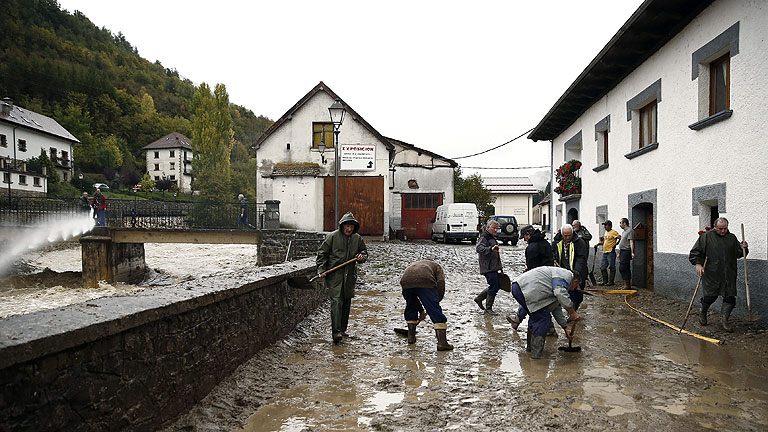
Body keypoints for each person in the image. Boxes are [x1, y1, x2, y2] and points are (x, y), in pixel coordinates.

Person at [689, 217, 748, 332]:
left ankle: (724, 321)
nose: (723, 231)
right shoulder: (706, 237)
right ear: (715, 227)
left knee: (730, 297)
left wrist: (743, 248)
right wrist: (698, 264)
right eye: (720, 229)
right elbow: (695, 252)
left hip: (729, 273)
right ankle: (703, 313)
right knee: (710, 296)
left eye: (725, 228)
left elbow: (738, 254)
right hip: (712, 272)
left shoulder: (731, 238)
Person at [316, 212, 368, 344]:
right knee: (336, 303)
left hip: (349, 276)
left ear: (354, 227)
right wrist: (321, 269)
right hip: (335, 276)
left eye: (351, 226)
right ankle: (336, 332)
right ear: (342, 226)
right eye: (347, 226)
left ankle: (343, 330)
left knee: (346, 303)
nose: (349, 229)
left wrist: (361, 257)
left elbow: (364, 252)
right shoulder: (332, 237)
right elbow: (322, 254)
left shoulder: (357, 239)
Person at [510, 266, 582, 359]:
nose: (572, 290)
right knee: (543, 318)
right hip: (525, 290)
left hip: (519, 287)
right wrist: (572, 312)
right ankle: (536, 356)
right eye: (575, 287)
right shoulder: (566, 276)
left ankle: (530, 349)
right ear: (575, 281)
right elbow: (560, 293)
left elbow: (556, 308)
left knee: (536, 316)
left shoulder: (558, 276)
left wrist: (565, 327)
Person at [400, 260, 453, 351]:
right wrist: (435, 303)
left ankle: (411, 337)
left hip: (405, 281)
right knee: (436, 313)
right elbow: (441, 283)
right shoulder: (438, 267)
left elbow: (415, 300)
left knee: (411, 306)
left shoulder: (414, 265)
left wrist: (421, 311)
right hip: (425, 280)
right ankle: (442, 343)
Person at [507, 225, 553, 329]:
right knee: (541, 302)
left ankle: (549, 328)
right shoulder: (546, 243)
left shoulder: (531, 248)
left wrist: (528, 271)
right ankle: (517, 320)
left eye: (524, 237)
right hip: (549, 275)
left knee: (529, 300)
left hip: (538, 279)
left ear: (528, 235)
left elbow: (532, 268)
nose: (525, 240)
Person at [552, 224, 588, 309]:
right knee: (567, 293)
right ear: (562, 234)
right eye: (565, 236)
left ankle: (575, 307)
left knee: (578, 294)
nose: (567, 237)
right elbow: (553, 253)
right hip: (562, 272)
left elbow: (581, 258)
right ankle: (571, 310)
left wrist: (575, 272)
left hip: (577, 272)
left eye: (569, 235)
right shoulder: (556, 243)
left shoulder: (580, 243)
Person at [474, 219, 503, 314]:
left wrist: (499, 266)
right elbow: (479, 248)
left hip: (493, 267)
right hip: (488, 267)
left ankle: (479, 298)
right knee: (494, 285)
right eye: (494, 228)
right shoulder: (484, 237)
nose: (495, 230)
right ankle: (488, 308)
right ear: (488, 227)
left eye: (497, 228)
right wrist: (490, 249)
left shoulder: (491, 237)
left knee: (498, 284)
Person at [596, 220, 620, 286]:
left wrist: (616, 244)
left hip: (611, 252)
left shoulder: (614, 232)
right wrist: (599, 244)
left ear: (609, 226)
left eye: (605, 225)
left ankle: (611, 282)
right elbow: (605, 241)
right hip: (605, 252)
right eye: (604, 225)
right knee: (602, 267)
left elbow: (620, 238)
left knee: (612, 267)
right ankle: (605, 281)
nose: (604, 227)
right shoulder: (606, 233)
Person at [617, 218, 635, 289]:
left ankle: (627, 285)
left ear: (624, 223)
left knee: (624, 268)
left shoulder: (630, 231)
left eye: (620, 223)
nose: (620, 224)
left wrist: (632, 252)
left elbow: (631, 242)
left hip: (626, 251)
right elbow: (622, 242)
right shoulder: (624, 232)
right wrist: (619, 252)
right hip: (622, 251)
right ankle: (625, 284)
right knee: (622, 268)